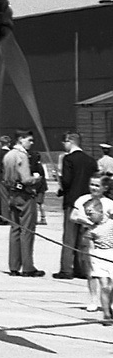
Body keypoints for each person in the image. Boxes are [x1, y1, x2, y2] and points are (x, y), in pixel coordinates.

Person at [55, 133, 98, 279]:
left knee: (69, 236)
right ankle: (82, 268)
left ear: (70, 141)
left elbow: (67, 182)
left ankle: (66, 269)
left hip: (72, 201)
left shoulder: (69, 159)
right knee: (83, 237)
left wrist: (60, 182)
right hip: (87, 201)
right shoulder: (91, 160)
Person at [2, 131, 43, 276]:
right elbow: (26, 178)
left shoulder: (8, 155)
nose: (31, 143)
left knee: (15, 229)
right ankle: (28, 267)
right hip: (25, 194)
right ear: (21, 139)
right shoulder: (22, 155)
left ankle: (14, 265)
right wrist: (37, 178)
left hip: (12, 193)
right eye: (29, 140)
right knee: (27, 230)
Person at [79, 195, 113, 323]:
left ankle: (109, 305)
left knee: (111, 286)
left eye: (91, 214)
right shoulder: (91, 229)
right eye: (87, 215)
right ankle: (106, 314)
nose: (89, 217)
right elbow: (88, 247)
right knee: (104, 286)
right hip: (99, 257)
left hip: (111, 255)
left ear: (100, 211)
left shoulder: (111, 223)